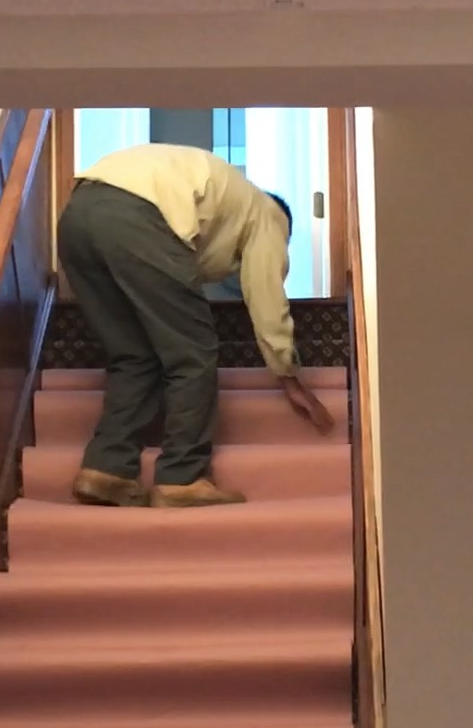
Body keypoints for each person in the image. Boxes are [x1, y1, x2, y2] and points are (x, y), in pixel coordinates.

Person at [56, 142, 335, 509]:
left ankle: (106, 469)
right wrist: (287, 372)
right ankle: (182, 477)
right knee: (193, 352)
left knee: (134, 355)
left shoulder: (224, 195)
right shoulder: (269, 215)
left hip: (78, 214)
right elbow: (266, 294)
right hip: (139, 217)